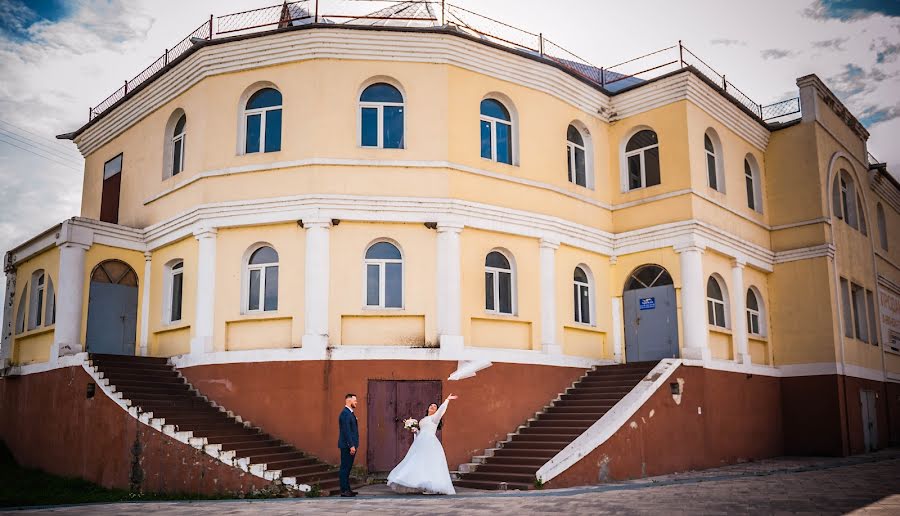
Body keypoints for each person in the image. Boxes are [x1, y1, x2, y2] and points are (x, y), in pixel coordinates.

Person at [387, 393, 458, 495]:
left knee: (430, 463)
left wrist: (447, 400)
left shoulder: (435, 418)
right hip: (421, 442)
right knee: (418, 462)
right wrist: (415, 430)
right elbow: (421, 432)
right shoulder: (423, 420)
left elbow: (441, 411)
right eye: (431, 405)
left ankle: (432, 487)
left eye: (435, 406)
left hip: (430, 442)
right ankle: (419, 484)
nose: (432, 407)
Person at [338, 393, 359, 497]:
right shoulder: (345, 414)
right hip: (347, 446)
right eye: (355, 400)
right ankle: (344, 490)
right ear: (349, 401)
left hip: (350, 446)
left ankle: (348, 489)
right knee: (345, 468)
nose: (356, 402)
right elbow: (346, 431)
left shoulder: (350, 413)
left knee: (348, 468)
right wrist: (351, 445)